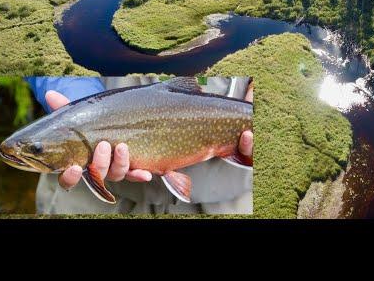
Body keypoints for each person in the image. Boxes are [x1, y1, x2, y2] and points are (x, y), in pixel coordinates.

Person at [24, 76, 253, 215]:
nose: (35, 151)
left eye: (37, 149)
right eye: (37, 149)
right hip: (89, 203)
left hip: (232, 202)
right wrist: (81, 101)